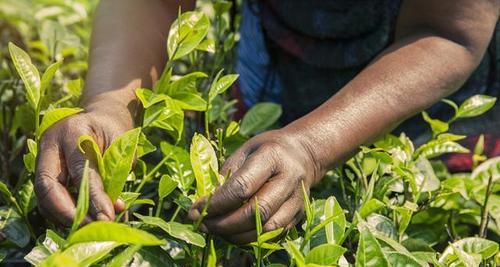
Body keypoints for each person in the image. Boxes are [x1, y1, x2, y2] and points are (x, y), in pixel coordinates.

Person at [34, 0, 499, 244]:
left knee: (417, 185)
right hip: (285, 43)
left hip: (430, 85)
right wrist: (111, 104)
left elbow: (448, 32)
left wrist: (312, 146)